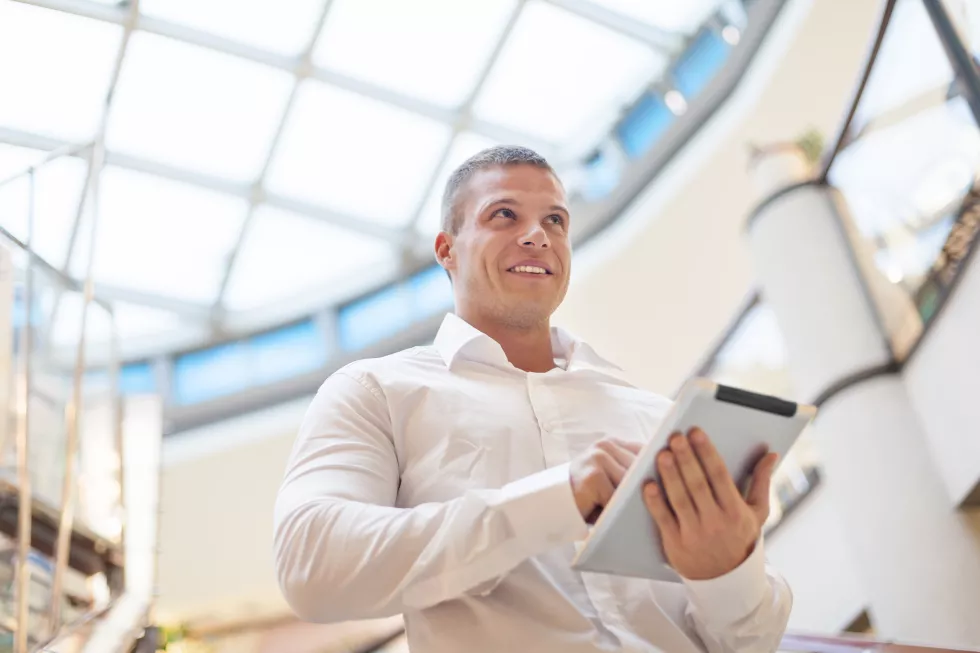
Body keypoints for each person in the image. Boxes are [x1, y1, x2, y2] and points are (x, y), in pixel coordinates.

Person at [273, 146, 792, 653]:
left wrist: (727, 568)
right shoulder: (377, 391)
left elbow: (751, 642)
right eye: (504, 214)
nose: (537, 237)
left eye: (556, 221)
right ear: (447, 249)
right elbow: (310, 562)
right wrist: (555, 499)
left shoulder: (657, 417)